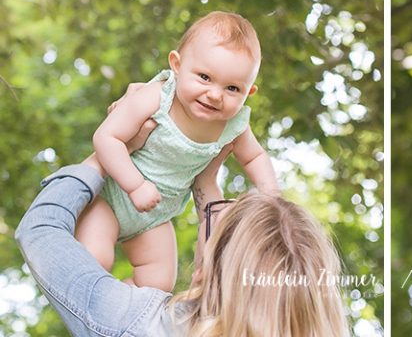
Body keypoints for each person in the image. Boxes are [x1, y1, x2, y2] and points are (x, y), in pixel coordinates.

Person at [15, 132, 349, 336]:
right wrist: (207, 184)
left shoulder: (140, 323)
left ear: (208, 273)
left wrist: (107, 155)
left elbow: (41, 229)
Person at [75, 11, 280, 291]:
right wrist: (135, 186)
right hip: (112, 196)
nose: (215, 94)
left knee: (158, 285)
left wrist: (272, 197)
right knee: (94, 259)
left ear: (249, 92)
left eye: (232, 88)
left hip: (155, 217)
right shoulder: (158, 97)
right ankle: (90, 297)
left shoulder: (233, 124)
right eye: (205, 77)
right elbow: (106, 137)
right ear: (177, 65)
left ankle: (118, 310)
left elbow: (255, 157)